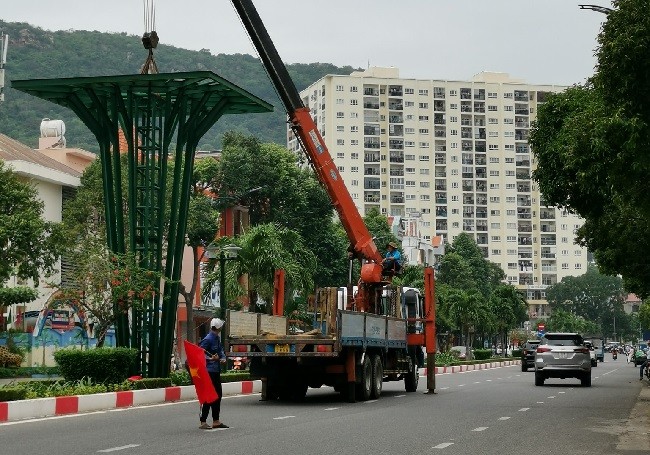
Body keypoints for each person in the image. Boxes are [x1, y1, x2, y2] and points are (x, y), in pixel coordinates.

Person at [198, 317, 228, 429]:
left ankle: (216, 420)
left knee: (217, 395)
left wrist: (223, 358)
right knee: (208, 396)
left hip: (216, 371)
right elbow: (200, 354)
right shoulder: (208, 339)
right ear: (219, 328)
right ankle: (203, 421)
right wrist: (210, 359)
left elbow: (220, 351)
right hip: (209, 372)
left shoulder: (216, 339)